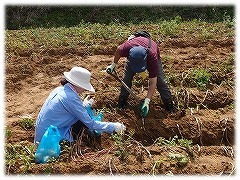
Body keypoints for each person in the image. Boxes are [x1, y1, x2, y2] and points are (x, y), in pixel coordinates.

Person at [34, 66, 126, 144]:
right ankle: (81, 144)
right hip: (49, 139)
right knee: (82, 123)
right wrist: (113, 126)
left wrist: (82, 105)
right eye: (83, 87)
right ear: (77, 84)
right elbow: (90, 124)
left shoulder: (59, 90)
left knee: (80, 117)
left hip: (41, 133)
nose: (84, 89)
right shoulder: (71, 98)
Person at [106, 30, 174, 117]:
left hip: (150, 52)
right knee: (126, 78)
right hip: (135, 52)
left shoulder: (152, 57)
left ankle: (169, 105)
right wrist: (113, 65)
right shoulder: (126, 48)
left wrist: (147, 101)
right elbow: (118, 50)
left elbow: (153, 83)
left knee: (160, 81)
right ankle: (122, 102)